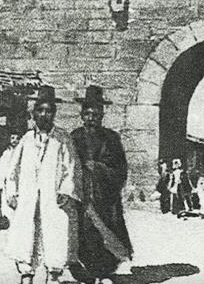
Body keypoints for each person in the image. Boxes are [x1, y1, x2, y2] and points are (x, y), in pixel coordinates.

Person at [5, 86, 82, 284]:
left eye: (49, 111)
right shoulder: (26, 139)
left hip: (53, 197)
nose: (44, 115)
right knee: (27, 233)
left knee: (54, 232)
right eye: (40, 110)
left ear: (54, 114)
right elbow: (13, 168)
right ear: (34, 113)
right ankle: (26, 273)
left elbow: (71, 167)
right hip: (29, 196)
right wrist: (12, 192)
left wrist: (66, 190)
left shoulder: (63, 139)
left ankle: (53, 274)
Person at [68, 85, 133, 284]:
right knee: (84, 232)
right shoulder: (74, 137)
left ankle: (105, 271)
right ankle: (87, 271)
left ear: (102, 114)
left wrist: (98, 168)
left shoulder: (112, 138)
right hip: (82, 194)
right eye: (87, 113)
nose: (91, 118)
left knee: (107, 230)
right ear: (81, 114)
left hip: (105, 196)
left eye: (96, 114)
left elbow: (121, 168)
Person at [0, 131, 21, 220]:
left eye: (17, 138)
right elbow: (2, 168)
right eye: (12, 138)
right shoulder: (6, 153)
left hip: (18, 181)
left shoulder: (22, 154)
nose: (15, 140)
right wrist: (1, 182)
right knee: (7, 202)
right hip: (8, 182)